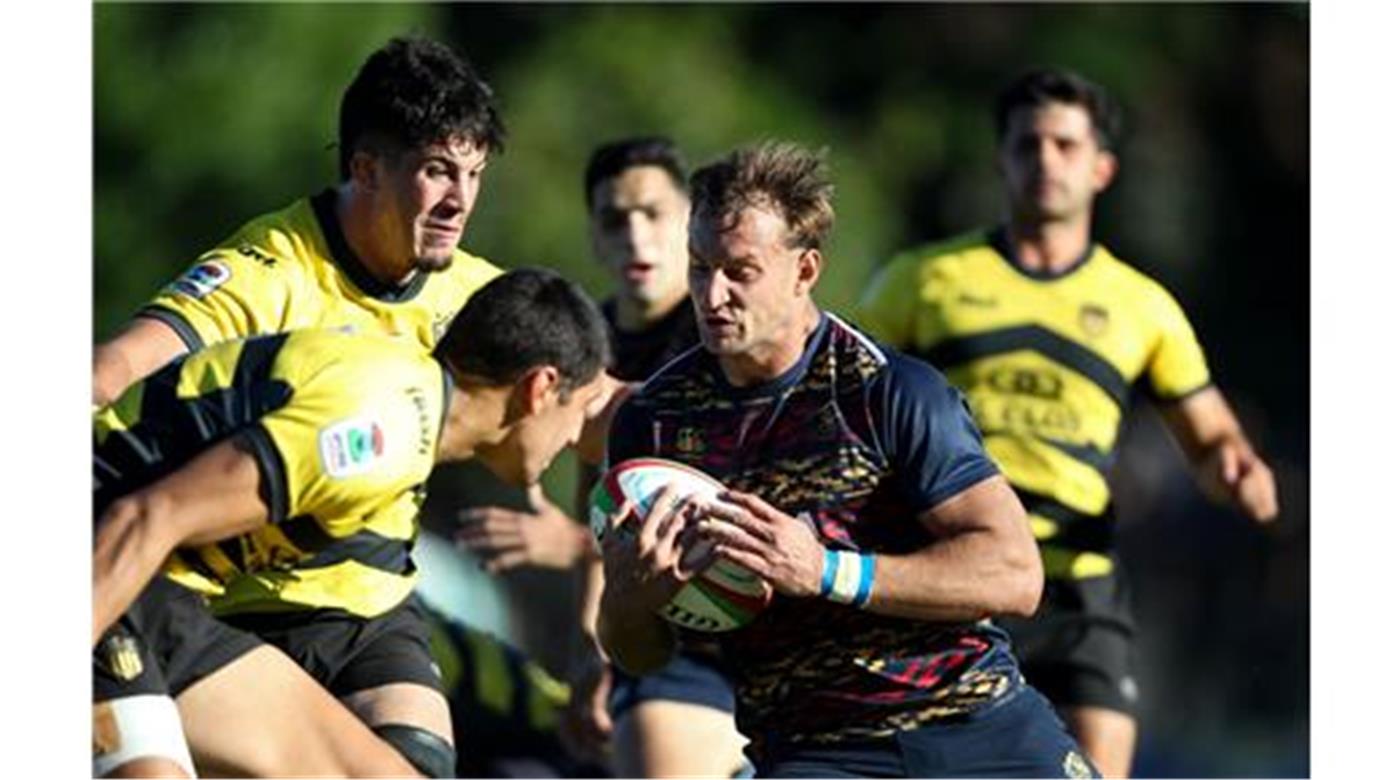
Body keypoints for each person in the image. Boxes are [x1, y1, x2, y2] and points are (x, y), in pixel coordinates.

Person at [595, 141, 1096, 778]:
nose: (712, 294)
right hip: (816, 751)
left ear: (805, 271)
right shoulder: (654, 423)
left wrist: (827, 571)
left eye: (740, 271)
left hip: (976, 722)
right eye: (699, 267)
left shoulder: (888, 391)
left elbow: (1015, 575)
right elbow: (639, 654)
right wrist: (629, 603)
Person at [855, 68, 1279, 777]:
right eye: (1028, 144)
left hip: (1080, 585)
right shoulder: (925, 280)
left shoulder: (1142, 306)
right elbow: (843, 397)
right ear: (1002, 159)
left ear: (1102, 168)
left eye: (1065, 145)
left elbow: (1210, 438)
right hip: (957, 577)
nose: (1045, 161)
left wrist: (1235, 470)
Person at [93, 269, 614, 777]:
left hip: (157, 593)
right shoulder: (382, 430)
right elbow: (145, 515)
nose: (576, 437)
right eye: (583, 409)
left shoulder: (410, 401)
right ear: (541, 388)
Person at [457, 137, 748, 777]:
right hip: (654, 633)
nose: (635, 235)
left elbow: (728, 509)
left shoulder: (725, 336)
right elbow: (601, 506)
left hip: (737, 634)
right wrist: (591, 657)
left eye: (653, 214)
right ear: (593, 235)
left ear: (690, 223)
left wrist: (570, 543)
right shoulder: (590, 341)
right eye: (615, 219)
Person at [92, 35, 505, 408]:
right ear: (367, 170)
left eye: (474, 174)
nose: (461, 201)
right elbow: (116, 367)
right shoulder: (271, 275)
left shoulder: (480, 297)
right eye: (437, 171)